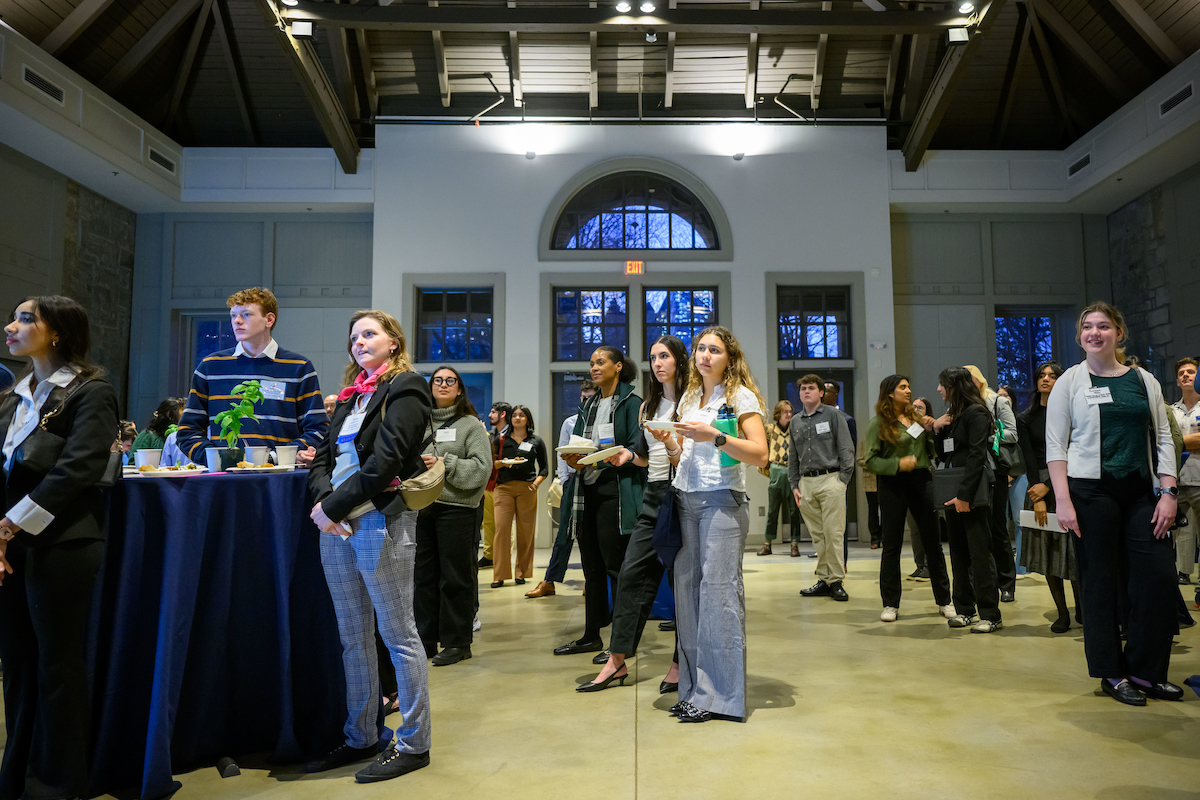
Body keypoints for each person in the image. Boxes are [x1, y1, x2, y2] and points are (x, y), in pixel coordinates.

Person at [0, 295, 120, 799]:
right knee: (18, 665)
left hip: (63, 543)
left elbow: (79, 469)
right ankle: (17, 776)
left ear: (57, 333)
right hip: (10, 544)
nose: (11, 326)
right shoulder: (13, 394)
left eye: (26, 319)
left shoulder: (92, 391)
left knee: (57, 666)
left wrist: (11, 525)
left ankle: (58, 782)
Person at [306, 309, 433, 780]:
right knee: (352, 637)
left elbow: (385, 463)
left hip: (379, 521)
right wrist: (324, 503)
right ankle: (360, 736)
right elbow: (322, 457)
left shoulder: (406, 388)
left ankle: (415, 743)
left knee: (398, 636)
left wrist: (332, 508)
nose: (359, 341)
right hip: (336, 527)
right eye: (354, 336)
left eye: (370, 333)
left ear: (393, 342)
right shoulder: (349, 396)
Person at [1046, 302, 1181, 705]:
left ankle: (1144, 670)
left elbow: (1163, 438)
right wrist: (1063, 501)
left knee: (1158, 579)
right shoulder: (1069, 382)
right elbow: (1056, 446)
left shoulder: (1144, 380)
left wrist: (1169, 491)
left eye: (1103, 326)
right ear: (1080, 336)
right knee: (1100, 583)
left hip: (1141, 492)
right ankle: (1111, 672)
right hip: (1090, 493)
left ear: (1119, 333)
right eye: (1087, 327)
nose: (1095, 333)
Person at [664, 326, 767, 723]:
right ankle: (693, 690)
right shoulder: (691, 396)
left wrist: (716, 438)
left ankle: (719, 697)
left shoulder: (739, 396)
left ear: (729, 358)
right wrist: (671, 442)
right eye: (701, 349)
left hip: (721, 504)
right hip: (684, 501)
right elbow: (685, 460)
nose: (705, 355)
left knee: (719, 600)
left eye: (715, 350)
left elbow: (760, 454)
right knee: (688, 601)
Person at [578, 335, 686, 692]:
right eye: (653, 358)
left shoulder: (692, 404)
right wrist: (624, 456)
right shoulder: (650, 406)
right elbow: (641, 454)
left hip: (682, 496)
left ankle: (679, 660)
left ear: (680, 361)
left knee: (682, 584)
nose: (657, 363)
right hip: (653, 498)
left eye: (665, 356)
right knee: (630, 576)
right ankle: (617, 660)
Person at [553, 346, 645, 657]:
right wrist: (575, 459)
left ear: (618, 366)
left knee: (615, 567)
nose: (594, 367)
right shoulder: (589, 405)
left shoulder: (632, 403)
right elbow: (578, 443)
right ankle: (591, 635)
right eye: (591, 362)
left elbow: (634, 447)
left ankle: (622, 643)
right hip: (585, 492)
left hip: (614, 491)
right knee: (591, 569)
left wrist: (595, 461)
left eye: (600, 362)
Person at [177, 287, 327, 467]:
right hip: (225, 478)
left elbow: (318, 430)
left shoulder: (299, 367)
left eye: (246, 315)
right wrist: (217, 459)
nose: (237, 321)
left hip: (282, 478)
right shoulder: (210, 367)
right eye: (233, 315)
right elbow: (187, 432)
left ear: (269, 320)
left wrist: (274, 458)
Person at [414, 366, 492, 666]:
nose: (443, 385)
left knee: (455, 577)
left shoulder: (471, 425)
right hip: (421, 506)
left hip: (458, 509)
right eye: (438, 380)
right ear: (430, 387)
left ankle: (458, 642)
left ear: (459, 389)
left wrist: (444, 463)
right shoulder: (418, 422)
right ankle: (426, 639)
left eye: (450, 381)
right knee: (423, 577)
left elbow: (482, 469)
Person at [865, 374, 953, 622]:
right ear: (890, 393)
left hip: (921, 482)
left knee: (933, 543)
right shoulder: (878, 424)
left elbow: (932, 451)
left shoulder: (918, 419)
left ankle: (945, 601)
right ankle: (890, 604)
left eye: (908, 386)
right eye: (902, 387)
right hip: (893, 484)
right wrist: (897, 463)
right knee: (891, 545)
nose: (908, 390)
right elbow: (870, 460)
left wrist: (933, 429)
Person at [933, 367, 1003, 633]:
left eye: (942, 385)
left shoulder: (976, 412)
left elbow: (977, 455)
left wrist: (965, 496)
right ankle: (965, 610)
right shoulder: (954, 415)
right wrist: (938, 430)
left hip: (971, 493)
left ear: (953, 386)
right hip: (952, 491)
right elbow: (944, 454)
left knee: (980, 554)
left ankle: (990, 614)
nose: (939, 390)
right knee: (959, 553)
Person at [1018, 361, 1082, 633]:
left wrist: (1050, 486)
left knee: (1074, 553)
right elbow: (1029, 458)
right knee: (1048, 553)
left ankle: (1084, 611)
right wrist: (1038, 493)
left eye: (1052, 375)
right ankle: (1062, 613)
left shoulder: (1072, 412)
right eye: (1042, 375)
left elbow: (1074, 452)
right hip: (1039, 488)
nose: (1046, 379)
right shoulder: (1025, 417)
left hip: (1067, 483)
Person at [527, 379, 598, 598]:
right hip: (573, 482)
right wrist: (565, 480)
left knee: (591, 535)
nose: (586, 401)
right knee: (564, 534)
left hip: (595, 481)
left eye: (590, 397)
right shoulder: (570, 423)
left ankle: (593, 581)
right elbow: (561, 453)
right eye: (583, 397)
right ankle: (549, 581)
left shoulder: (601, 422)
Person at [793, 374, 855, 602]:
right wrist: (794, 484)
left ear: (821, 393)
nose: (806, 391)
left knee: (833, 533)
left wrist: (843, 480)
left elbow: (847, 449)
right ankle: (824, 579)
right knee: (818, 535)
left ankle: (836, 580)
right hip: (805, 483)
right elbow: (793, 456)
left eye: (811, 388)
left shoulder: (833, 415)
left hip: (831, 480)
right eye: (803, 388)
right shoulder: (795, 421)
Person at [965, 365, 1019, 602]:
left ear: (977, 381)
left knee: (998, 529)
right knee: (978, 532)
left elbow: (1012, 433)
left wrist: (987, 435)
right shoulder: (961, 405)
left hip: (995, 469)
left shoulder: (996, 401)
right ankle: (981, 583)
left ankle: (1006, 583)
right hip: (973, 471)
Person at [491, 405, 549, 588]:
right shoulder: (500, 439)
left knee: (526, 532)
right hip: (503, 488)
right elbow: (491, 464)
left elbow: (545, 468)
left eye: (521, 415)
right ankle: (499, 575)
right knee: (501, 531)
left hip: (527, 488)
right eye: (514, 415)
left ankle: (521, 573)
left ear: (527, 419)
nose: (517, 418)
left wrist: (536, 484)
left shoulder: (536, 441)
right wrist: (502, 463)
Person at [1170, 357, 1199, 584]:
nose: (1186, 375)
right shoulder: (1171, 411)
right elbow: (1165, 442)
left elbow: (1172, 441)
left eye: (1191, 371)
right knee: (1181, 536)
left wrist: (1177, 441)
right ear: (1177, 380)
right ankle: (1183, 576)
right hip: (1177, 482)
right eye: (1182, 373)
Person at [759, 400, 800, 557]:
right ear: (778, 413)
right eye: (785, 412)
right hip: (776, 469)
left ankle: (794, 544)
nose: (789, 414)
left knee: (794, 510)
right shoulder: (770, 429)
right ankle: (767, 544)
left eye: (790, 411)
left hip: (791, 470)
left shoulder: (795, 429)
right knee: (772, 511)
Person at [996, 384, 1029, 577]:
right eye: (999, 396)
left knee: (1019, 521)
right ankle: (1004, 568)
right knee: (1000, 523)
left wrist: (1011, 473)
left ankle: (1022, 567)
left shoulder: (1019, 420)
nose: (1002, 399)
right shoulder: (990, 421)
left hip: (1018, 474)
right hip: (998, 475)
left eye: (1006, 396)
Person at [477, 401, 511, 569]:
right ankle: (489, 555)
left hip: (504, 484)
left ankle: (503, 558)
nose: (489, 415)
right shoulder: (492, 435)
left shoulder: (512, 435)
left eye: (493, 412)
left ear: (502, 414)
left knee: (503, 525)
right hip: (490, 483)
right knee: (488, 522)